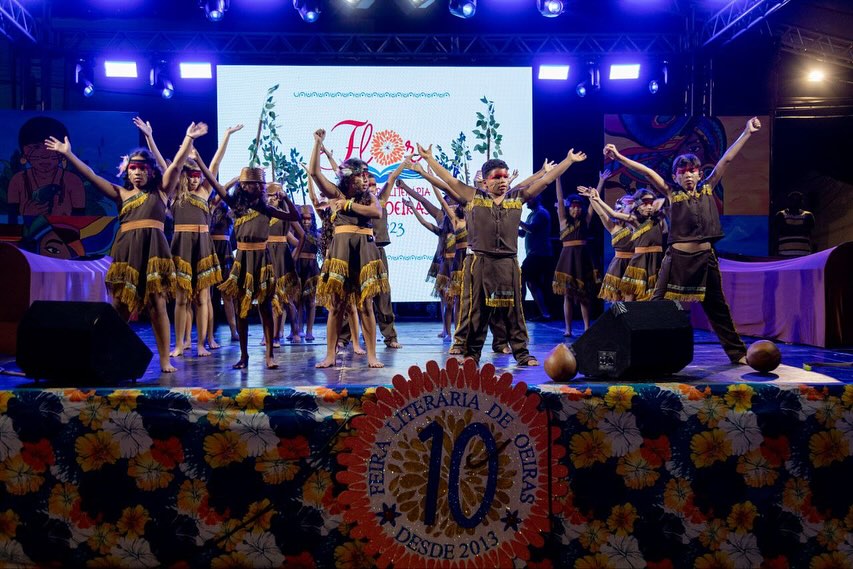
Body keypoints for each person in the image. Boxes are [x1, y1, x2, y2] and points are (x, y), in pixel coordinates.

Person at [44, 121, 208, 373]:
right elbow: (91, 175)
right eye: (133, 168)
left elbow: (175, 166)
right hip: (126, 253)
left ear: (151, 172)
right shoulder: (121, 194)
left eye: (143, 168)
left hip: (153, 252)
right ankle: (104, 354)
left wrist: (188, 139)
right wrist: (68, 154)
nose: (137, 173)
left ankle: (164, 359)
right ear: (127, 172)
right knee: (119, 307)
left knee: (157, 305)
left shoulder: (162, 192)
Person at [603, 116, 763, 364]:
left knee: (716, 306)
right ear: (675, 177)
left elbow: (727, 159)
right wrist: (621, 158)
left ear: (700, 173)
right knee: (657, 302)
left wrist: (746, 132)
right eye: (682, 172)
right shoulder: (671, 192)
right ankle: (643, 349)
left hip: (705, 258)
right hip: (676, 257)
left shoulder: (708, 187)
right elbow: (647, 171)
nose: (688, 175)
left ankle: (737, 353)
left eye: (692, 171)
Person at [418, 143, 587, 366]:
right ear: (486, 181)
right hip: (480, 262)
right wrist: (429, 160)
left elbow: (544, 181)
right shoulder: (473, 197)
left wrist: (568, 161)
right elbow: (451, 181)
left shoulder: (516, 198)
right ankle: (472, 354)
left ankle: (522, 354)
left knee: (513, 310)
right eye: (497, 177)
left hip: (508, 263)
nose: (503, 180)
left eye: (505, 176)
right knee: (477, 311)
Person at [196, 157, 300, 370]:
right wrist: (199, 160)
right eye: (251, 183)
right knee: (241, 310)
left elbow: (294, 215)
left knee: (266, 308)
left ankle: (270, 355)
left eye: (259, 184)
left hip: (263, 261)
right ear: (243, 186)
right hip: (242, 260)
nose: (256, 187)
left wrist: (286, 197)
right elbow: (214, 183)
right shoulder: (236, 205)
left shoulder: (267, 208)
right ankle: (244, 356)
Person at [309, 129, 390, 369]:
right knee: (336, 305)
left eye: (367, 175)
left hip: (364, 251)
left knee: (366, 305)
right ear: (348, 177)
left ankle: (372, 355)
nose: (365, 179)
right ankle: (330, 355)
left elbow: (376, 213)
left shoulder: (369, 199)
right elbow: (314, 172)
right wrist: (318, 144)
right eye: (360, 175)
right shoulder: (336, 193)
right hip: (342, 252)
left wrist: (349, 205)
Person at [8, 116, 86, 218]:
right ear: (23, 153)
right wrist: (26, 215)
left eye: (52, 146)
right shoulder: (17, 181)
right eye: (36, 147)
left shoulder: (73, 182)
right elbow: (10, 223)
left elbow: (82, 225)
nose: (45, 155)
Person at [581, 170, 636, 302]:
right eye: (628, 205)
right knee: (618, 304)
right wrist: (591, 197)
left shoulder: (636, 224)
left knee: (632, 302)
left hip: (635, 265)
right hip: (618, 267)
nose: (632, 208)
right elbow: (601, 213)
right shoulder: (613, 227)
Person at [553, 181, 599, 336]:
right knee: (567, 295)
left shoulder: (585, 220)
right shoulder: (563, 221)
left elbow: (593, 203)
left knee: (584, 295)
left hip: (582, 259)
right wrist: (558, 179)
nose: (575, 209)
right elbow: (559, 199)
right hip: (567, 259)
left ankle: (587, 327)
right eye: (572, 206)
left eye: (578, 206)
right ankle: (568, 329)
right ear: (568, 208)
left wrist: (600, 183)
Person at [518, 194, 552, 320]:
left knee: (521, 277)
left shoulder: (541, 213)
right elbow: (522, 233)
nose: (527, 201)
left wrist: (516, 220)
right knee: (532, 283)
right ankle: (544, 313)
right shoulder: (532, 214)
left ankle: (520, 312)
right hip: (535, 254)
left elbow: (531, 229)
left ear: (537, 199)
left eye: (529, 199)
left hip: (539, 254)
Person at [775, 191, 815, 257]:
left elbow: (806, 231)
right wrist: (801, 228)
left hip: (803, 255)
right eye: (793, 200)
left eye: (798, 200)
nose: (795, 202)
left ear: (801, 202)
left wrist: (788, 228)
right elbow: (782, 231)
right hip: (784, 255)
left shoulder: (808, 215)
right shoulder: (780, 214)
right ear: (788, 202)